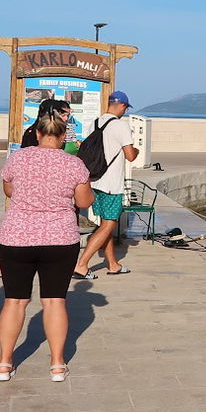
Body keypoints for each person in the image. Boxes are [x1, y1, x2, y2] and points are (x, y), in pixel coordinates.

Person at [0, 111, 94, 382]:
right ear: (63, 137)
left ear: (37, 134)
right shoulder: (74, 164)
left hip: (16, 237)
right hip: (59, 239)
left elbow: (9, 191)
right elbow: (84, 201)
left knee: (14, 301)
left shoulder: (17, 158)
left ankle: (4, 363)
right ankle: (57, 364)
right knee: (54, 301)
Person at [74, 91, 138, 278]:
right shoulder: (121, 126)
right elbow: (130, 155)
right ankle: (82, 264)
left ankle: (112, 264)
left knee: (104, 224)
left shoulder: (95, 123)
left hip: (95, 181)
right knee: (109, 224)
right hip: (112, 184)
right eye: (125, 107)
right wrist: (136, 148)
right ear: (123, 106)